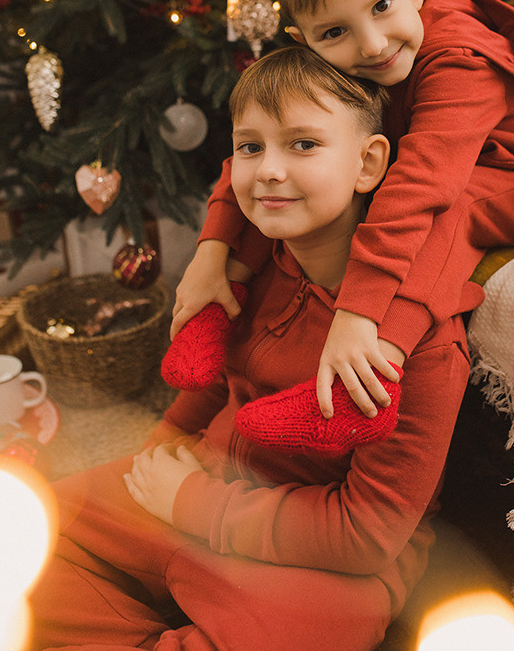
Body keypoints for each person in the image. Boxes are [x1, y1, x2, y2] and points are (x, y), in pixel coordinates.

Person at [28, 46, 470, 651]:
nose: (267, 170)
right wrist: (154, 468)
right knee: (23, 534)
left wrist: (195, 505)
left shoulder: (418, 341)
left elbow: (367, 535)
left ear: (368, 164)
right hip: (197, 492)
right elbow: (208, 388)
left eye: (304, 145)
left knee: (311, 626)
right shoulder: (250, 269)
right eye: (250, 146)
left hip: (316, 559)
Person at [166, 0, 514, 453]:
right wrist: (210, 254)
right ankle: (218, 309)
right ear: (302, 38)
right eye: (334, 32)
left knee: (446, 214)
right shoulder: (341, 61)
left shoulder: (460, 56)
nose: (374, 44)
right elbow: (257, 147)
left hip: (513, 175)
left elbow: (424, 185)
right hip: (406, 160)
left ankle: (369, 382)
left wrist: (358, 313)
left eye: (383, 5)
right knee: (281, 174)